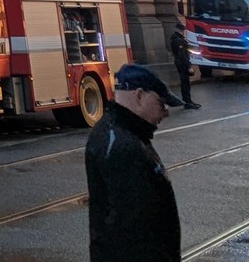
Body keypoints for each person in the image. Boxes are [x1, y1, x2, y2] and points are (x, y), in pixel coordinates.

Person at [84, 64, 182, 262]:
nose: (165, 112)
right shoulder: (122, 146)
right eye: (160, 103)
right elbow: (133, 230)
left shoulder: (122, 134)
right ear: (139, 96)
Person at [168, 22, 201, 109]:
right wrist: (189, 66)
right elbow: (182, 55)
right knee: (185, 83)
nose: (184, 32)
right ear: (181, 30)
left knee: (185, 83)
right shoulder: (179, 40)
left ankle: (188, 101)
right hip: (182, 63)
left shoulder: (176, 38)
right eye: (183, 30)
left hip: (180, 62)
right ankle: (187, 102)